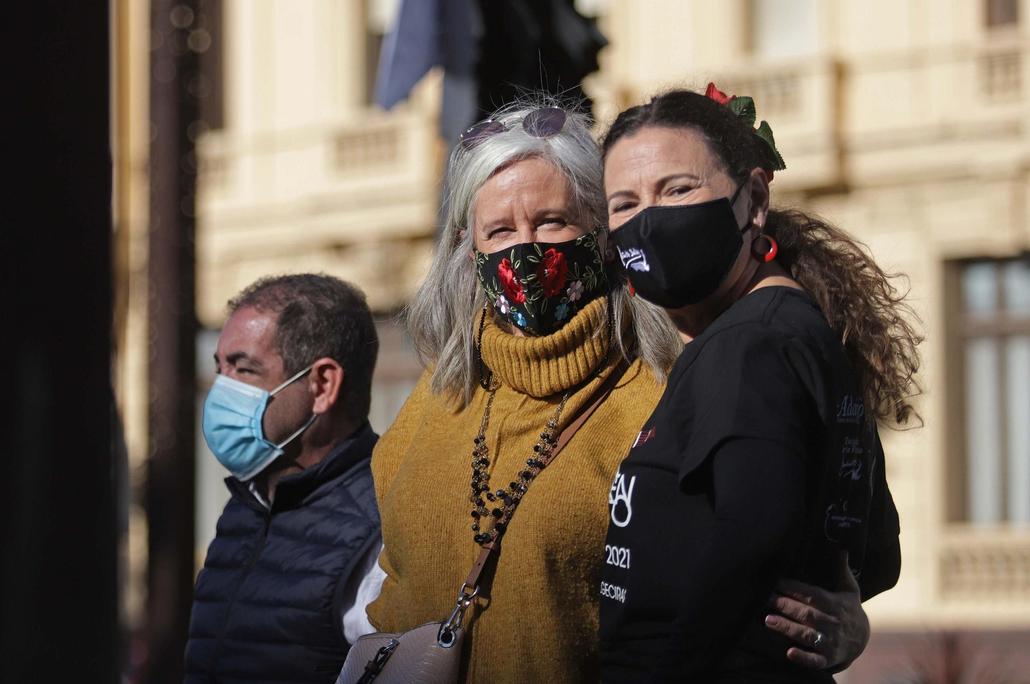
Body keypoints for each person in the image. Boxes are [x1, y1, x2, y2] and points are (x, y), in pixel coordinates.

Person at [364, 100, 870, 682]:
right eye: (499, 230)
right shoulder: (437, 393)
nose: (525, 251)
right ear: (467, 248)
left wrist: (846, 620)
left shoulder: (670, 383)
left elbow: (815, 533)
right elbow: (391, 579)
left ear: (603, 234)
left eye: (552, 221)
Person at [596, 86, 913, 683]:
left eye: (678, 189)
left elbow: (752, 532)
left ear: (755, 198)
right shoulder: (789, 330)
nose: (649, 220)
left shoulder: (748, 344)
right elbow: (877, 556)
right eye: (624, 203)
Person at [185, 274, 384, 684]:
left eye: (244, 369)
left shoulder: (383, 524)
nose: (221, 389)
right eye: (220, 367)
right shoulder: (249, 502)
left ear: (322, 385)